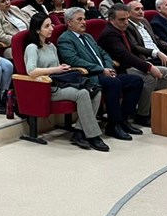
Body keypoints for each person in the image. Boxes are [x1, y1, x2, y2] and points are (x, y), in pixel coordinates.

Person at [22, 14, 108, 151]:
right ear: (37, 30)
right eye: (47, 26)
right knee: (83, 93)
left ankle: (79, 132)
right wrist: (56, 69)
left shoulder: (51, 46)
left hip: (59, 82)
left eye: (51, 25)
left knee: (96, 91)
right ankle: (93, 136)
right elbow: (31, 71)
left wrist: (62, 68)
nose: (52, 28)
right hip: (46, 87)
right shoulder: (32, 48)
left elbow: (57, 68)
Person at [57, 7, 144, 141]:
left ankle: (123, 120)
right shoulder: (65, 39)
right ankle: (113, 125)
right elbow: (73, 60)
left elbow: (103, 53)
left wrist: (108, 67)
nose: (84, 22)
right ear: (69, 22)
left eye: (84, 19)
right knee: (114, 83)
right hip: (88, 76)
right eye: (79, 19)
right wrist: (101, 70)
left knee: (136, 81)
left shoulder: (88, 36)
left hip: (104, 72)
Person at [97, 3, 167, 126]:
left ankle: (152, 108)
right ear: (111, 20)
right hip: (119, 68)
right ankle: (142, 115)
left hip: (130, 64)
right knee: (150, 78)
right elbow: (125, 55)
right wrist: (148, 67)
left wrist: (146, 62)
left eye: (127, 18)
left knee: (165, 72)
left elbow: (134, 49)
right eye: (122, 20)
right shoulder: (110, 34)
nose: (126, 22)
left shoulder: (122, 29)